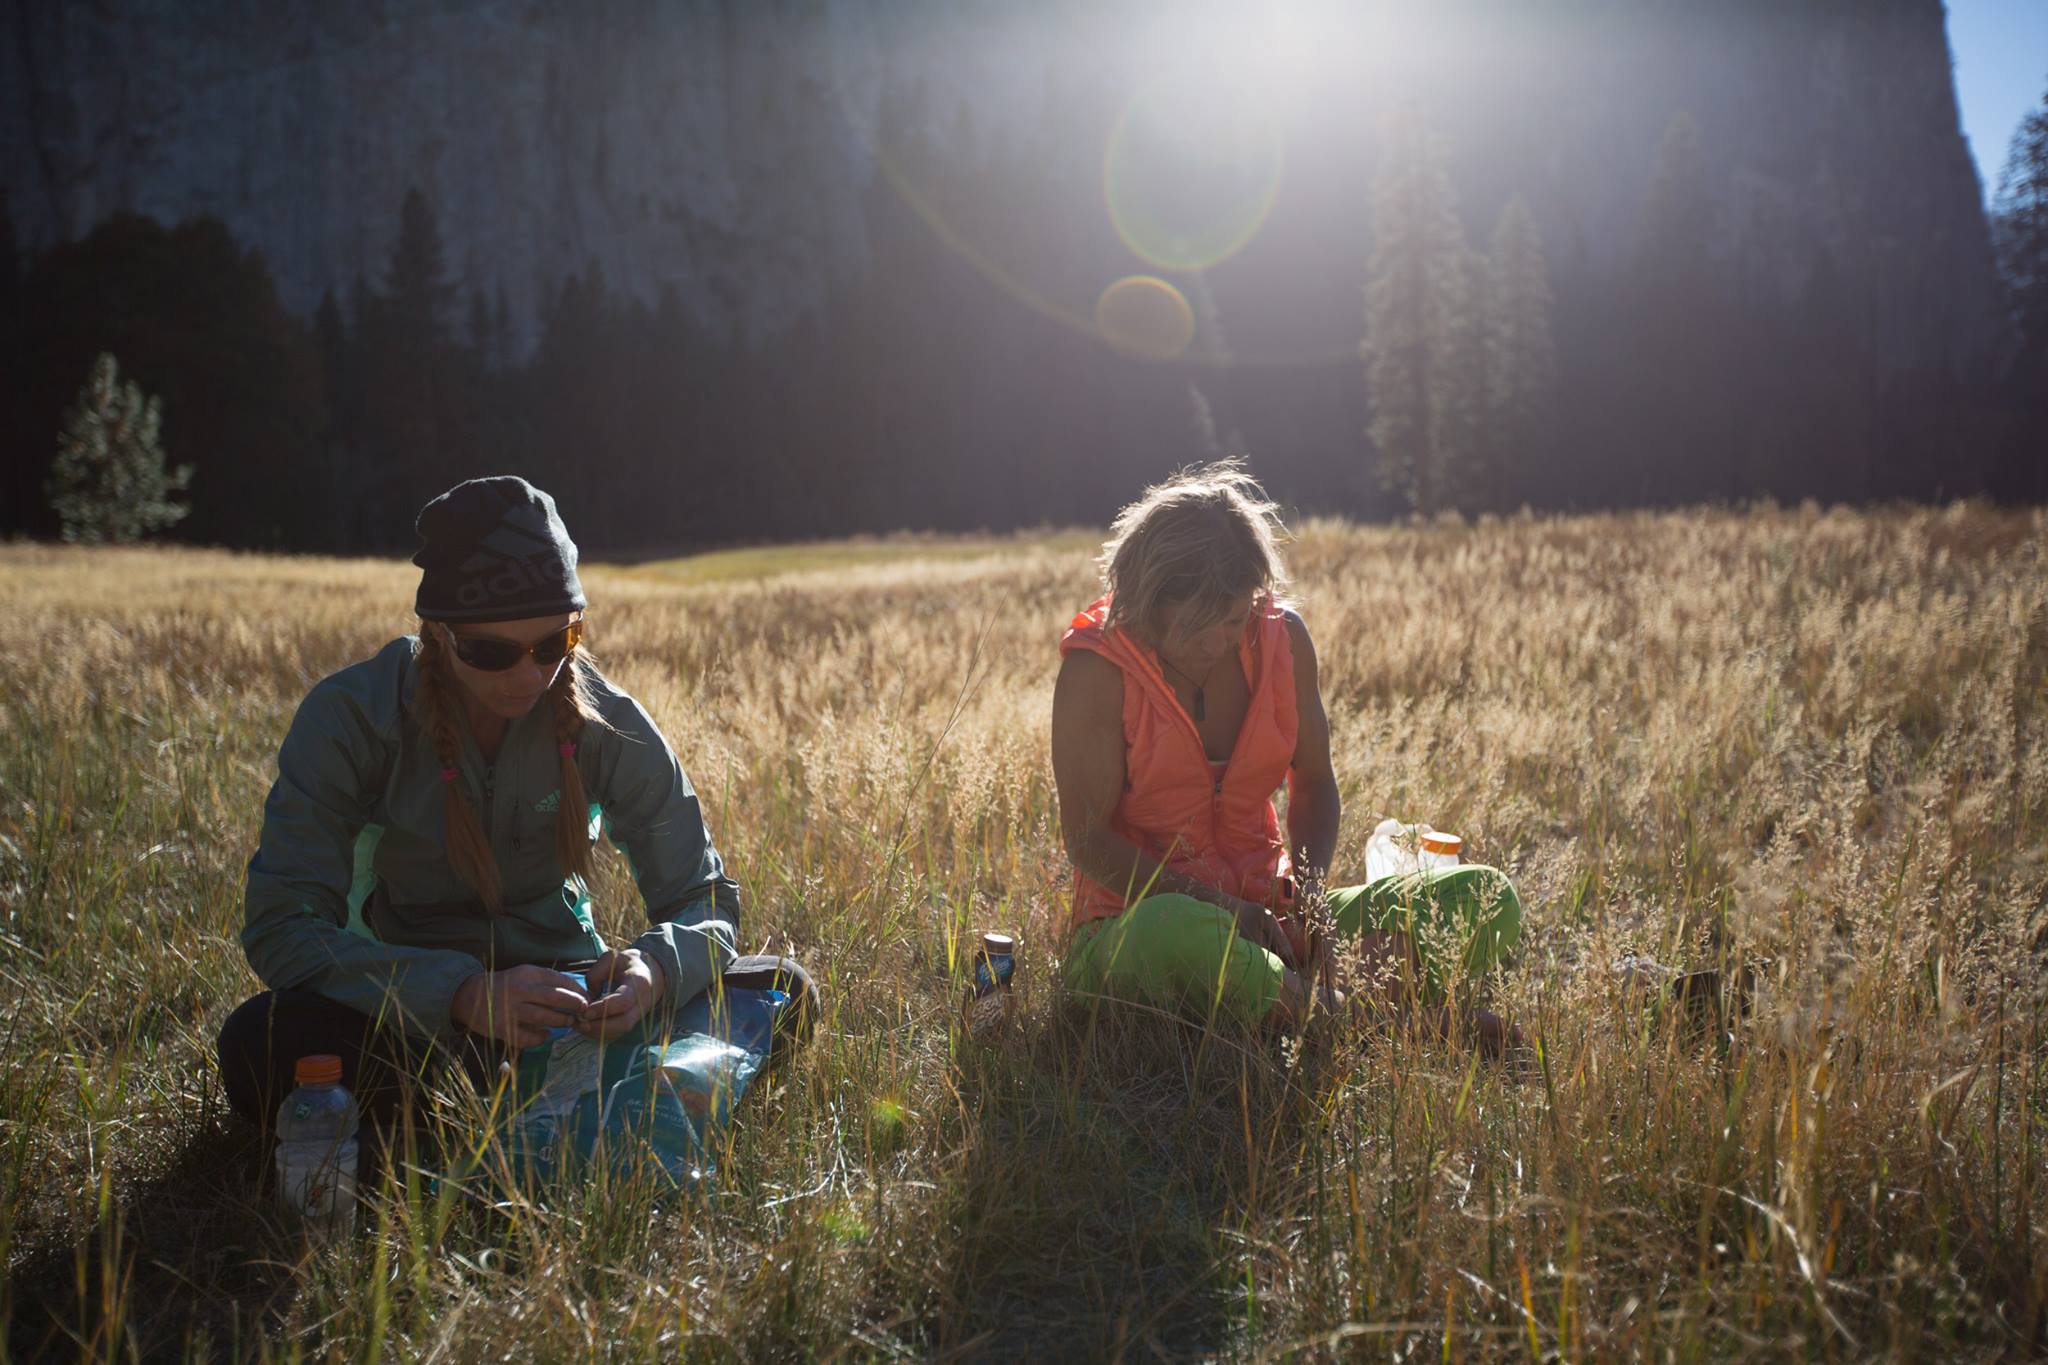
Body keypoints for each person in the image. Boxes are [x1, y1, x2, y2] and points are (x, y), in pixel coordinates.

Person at [218, 476, 806, 1153]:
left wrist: (655, 971)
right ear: (437, 633)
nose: (529, 675)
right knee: (258, 1043)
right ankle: (577, 1101)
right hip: (413, 1016)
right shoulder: (353, 717)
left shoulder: (607, 722)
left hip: (573, 1009)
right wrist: (462, 993)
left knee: (785, 991)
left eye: (554, 644)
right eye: (492, 652)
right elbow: (281, 926)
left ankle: (476, 1117)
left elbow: (704, 898)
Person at [1050, 462, 1522, 1041]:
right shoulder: (1096, 669)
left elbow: (1316, 784)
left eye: (1235, 616)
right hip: (1139, 927)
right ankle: (1385, 1027)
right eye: (1201, 627)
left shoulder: (1282, 639)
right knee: (1178, 931)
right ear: (1151, 603)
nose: (1223, 640)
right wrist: (1221, 909)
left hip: (1272, 917)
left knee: (1486, 897)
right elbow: (1088, 842)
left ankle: (1298, 999)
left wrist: (1314, 900)